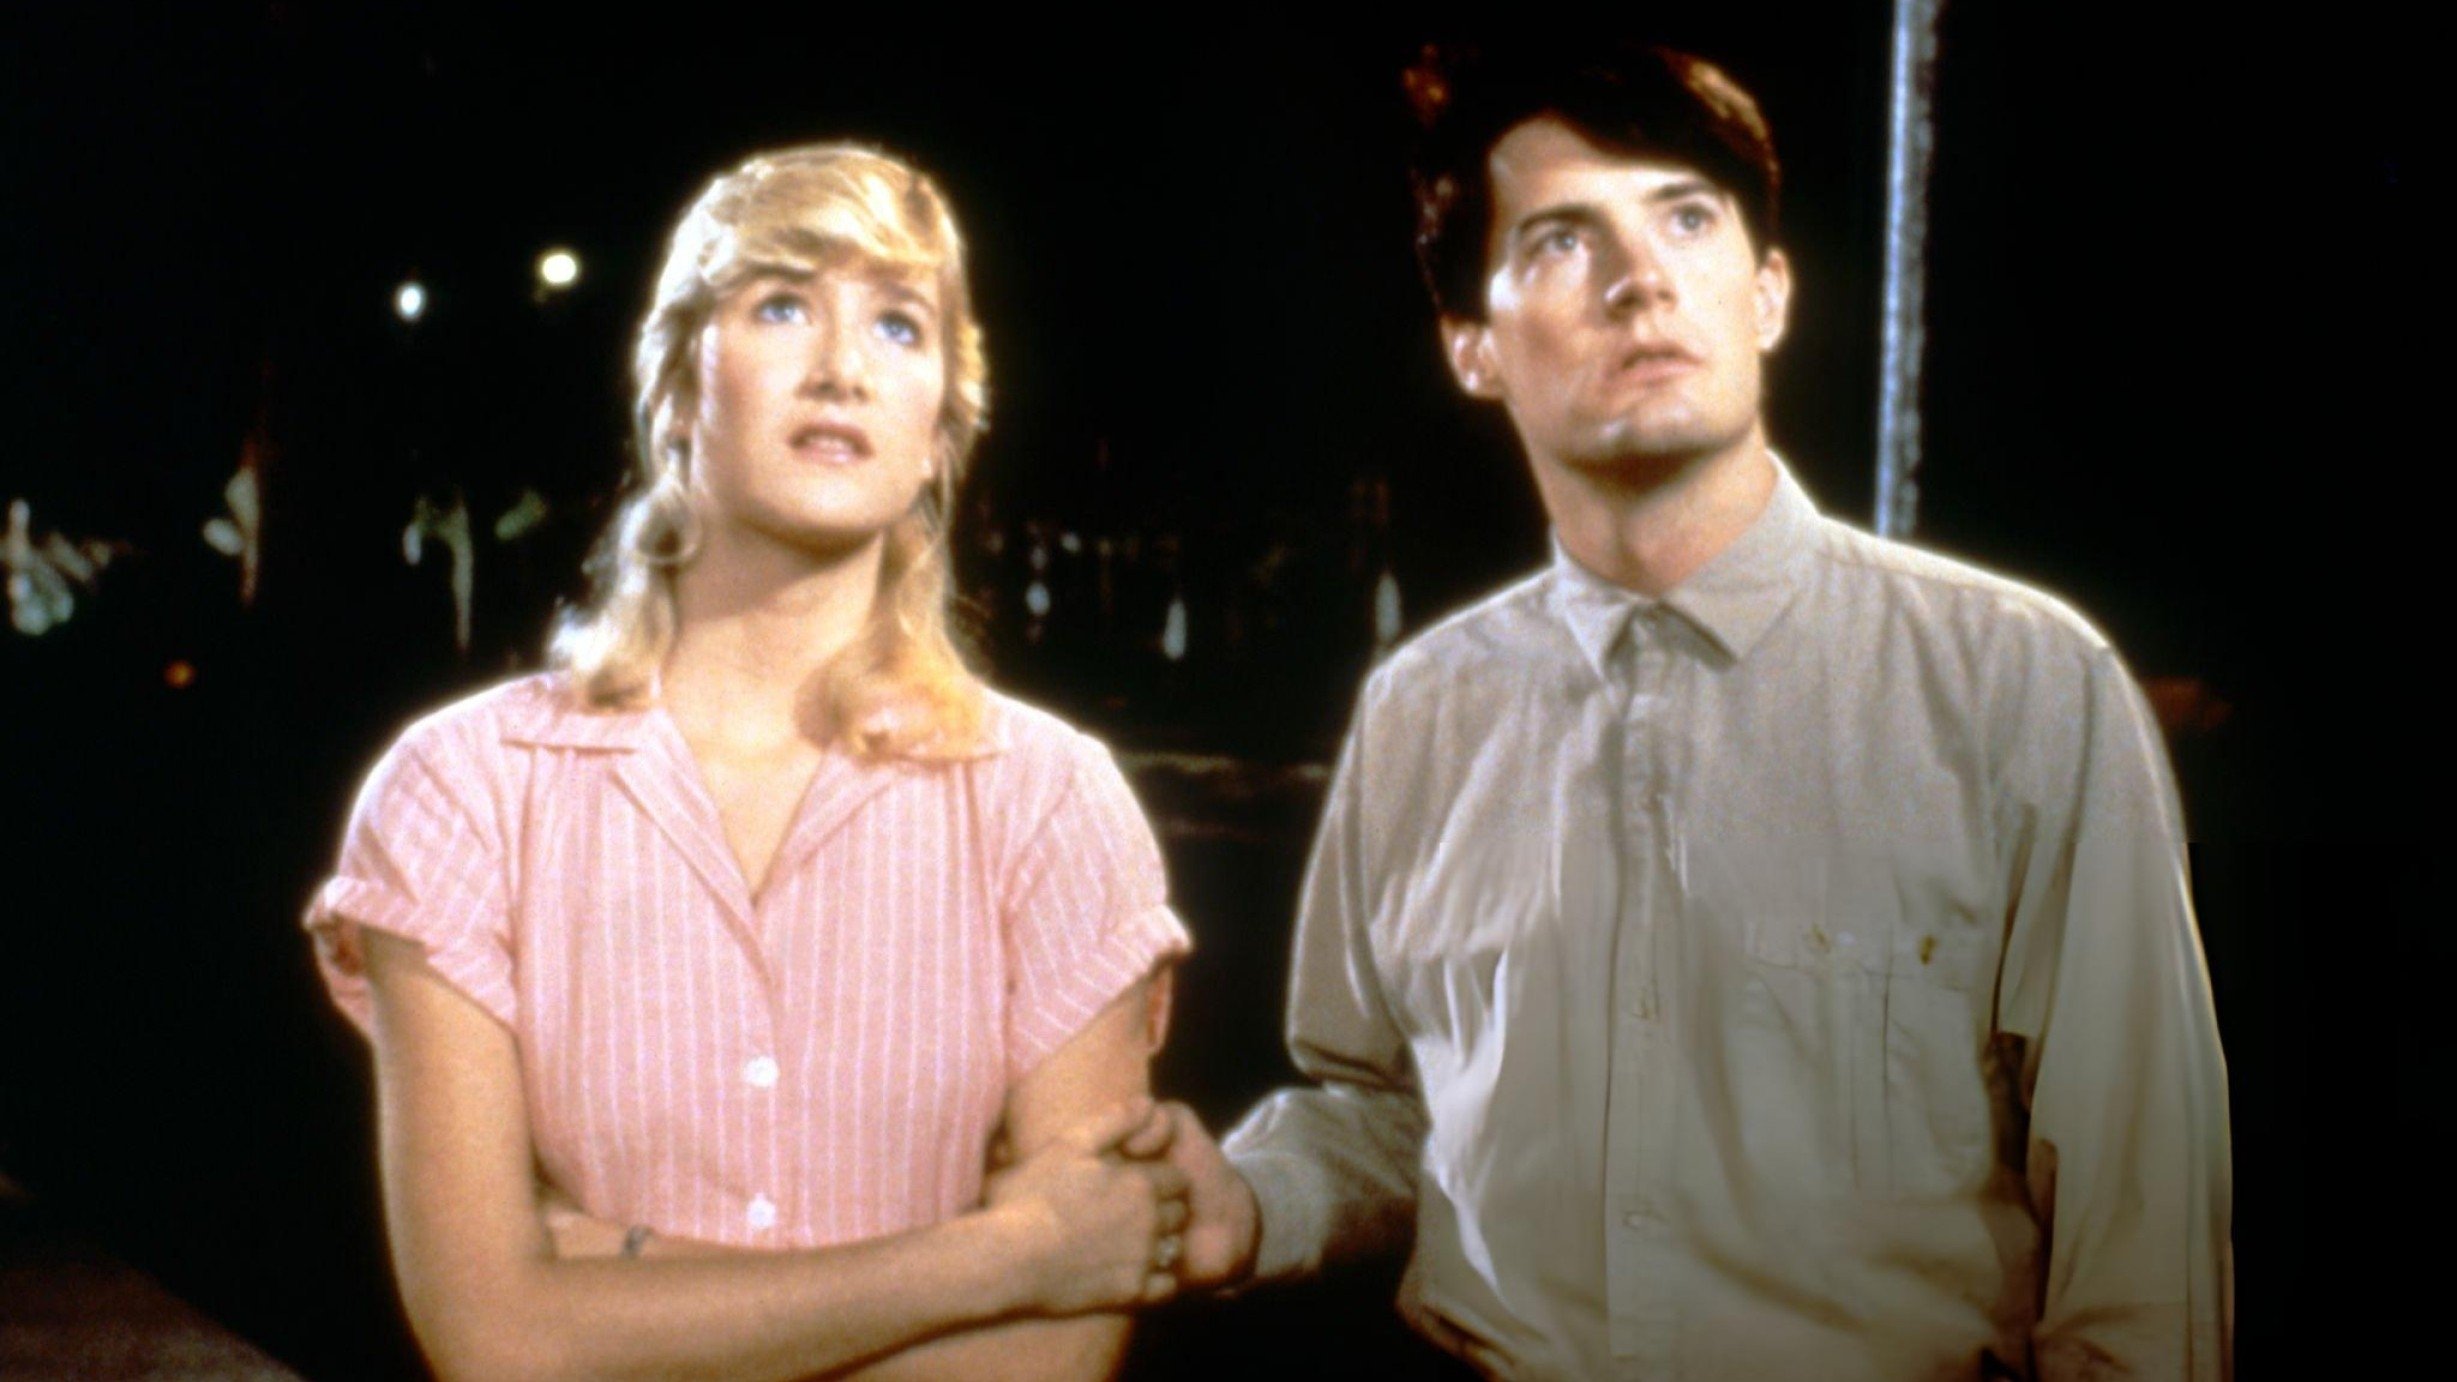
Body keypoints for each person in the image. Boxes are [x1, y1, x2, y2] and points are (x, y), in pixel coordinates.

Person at [1145, 43, 2233, 1380]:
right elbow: (1397, 1114)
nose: (1640, 279)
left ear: (1768, 295)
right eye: (1560, 240)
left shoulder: (2023, 686)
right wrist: (1253, 1199)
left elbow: (2142, 1247)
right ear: (1473, 349)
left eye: (1686, 219)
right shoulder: (1421, 713)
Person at [304, 143, 1194, 1381]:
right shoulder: (464, 788)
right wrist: (1001, 1253)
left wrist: (614, 1281)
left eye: (898, 324)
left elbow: (1060, 1343)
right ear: (676, 389)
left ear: (939, 433)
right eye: (782, 306)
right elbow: (497, 1338)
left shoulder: (1051, 800)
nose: (841, 367)